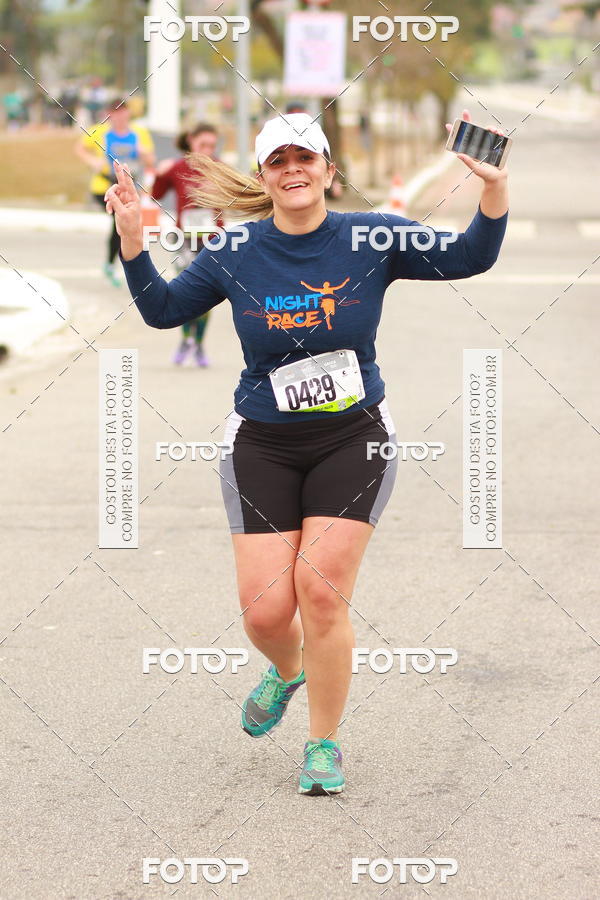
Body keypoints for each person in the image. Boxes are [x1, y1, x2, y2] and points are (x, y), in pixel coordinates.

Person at [105, 108, 509, 796]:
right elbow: (164, 311)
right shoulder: (235, 251)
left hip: (353, 436)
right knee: (266, 612)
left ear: (327, 168)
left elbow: (470, 254)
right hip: (262, 441)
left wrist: (493, 188)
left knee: (319, 593)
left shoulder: (370, 236)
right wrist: (132, 243)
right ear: (264, 177)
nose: (293, 169)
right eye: (277, 161)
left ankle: (323, 743)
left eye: (305, 157)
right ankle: (287, 670)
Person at [151, 123, 224, 367]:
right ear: (191, 142)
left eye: (212, 146)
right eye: (203, 145)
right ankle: (185, 340)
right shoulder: (178, 167)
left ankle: (199, 344)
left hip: (213, 241)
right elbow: (157, 194)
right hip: (186, 240)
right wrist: (160, 173)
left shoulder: (220, 168)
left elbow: (241, 197)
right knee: (183, 293)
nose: (207, 151)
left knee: (206, 297)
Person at [75, 99, 154, 286]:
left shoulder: (139, 133)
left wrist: (142, 153)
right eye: (115, 112)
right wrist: (92, 161)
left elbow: (151, 160)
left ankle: (115, 264)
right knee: (120, 220)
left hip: (127, 187)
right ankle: (116, 264)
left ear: (128, 113)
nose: (119, 116)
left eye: (123, 111)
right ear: (109, 114)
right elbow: (79, 148)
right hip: (103, 186)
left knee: (121, 223)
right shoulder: (99, 131)